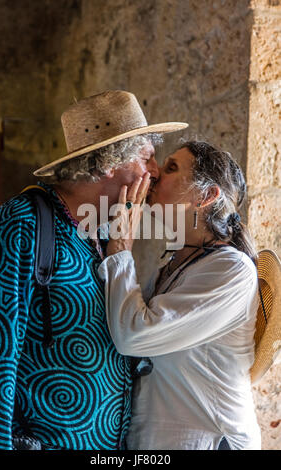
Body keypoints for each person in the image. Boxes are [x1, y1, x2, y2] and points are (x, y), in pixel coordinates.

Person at [0, 90, 187, 450]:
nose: (154, 172)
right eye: (147, 158)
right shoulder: (23, 222)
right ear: (108, 163)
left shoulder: (104, 232)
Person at [98, 140, 262, 450]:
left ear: (207, 196)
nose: (156, 173)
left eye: (172, 167)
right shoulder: (175, 262)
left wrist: (120, 248)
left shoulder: (232, 270)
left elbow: (133, 335)